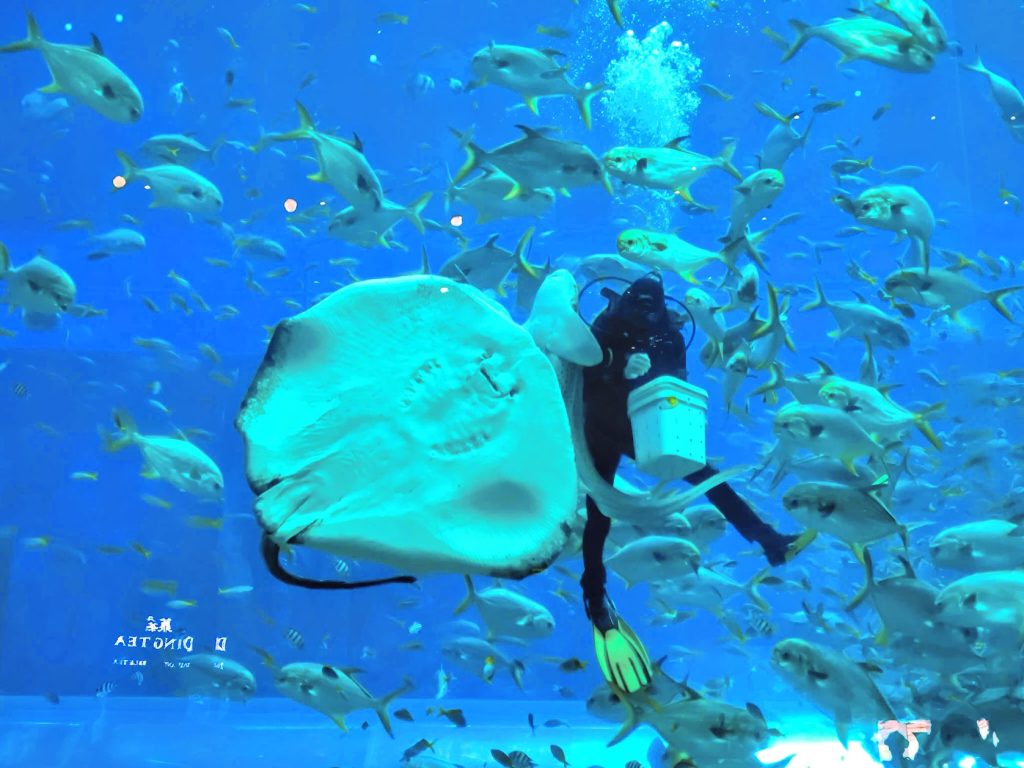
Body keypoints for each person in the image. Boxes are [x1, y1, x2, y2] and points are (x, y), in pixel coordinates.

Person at [580, 271, 815, 694]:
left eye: (650, 308)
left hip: (643, 426)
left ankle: (769, 540)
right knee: (599, 507)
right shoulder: (607, 326)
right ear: (624, 302)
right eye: (637, 305)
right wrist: (618, 370)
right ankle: (595, 597)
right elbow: (583, 373)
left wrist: (650, 377)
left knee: (706, 477)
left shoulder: (668, 334)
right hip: (599, 423)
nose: (642, 314)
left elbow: (678, 381)